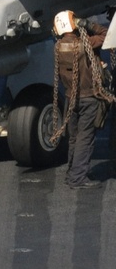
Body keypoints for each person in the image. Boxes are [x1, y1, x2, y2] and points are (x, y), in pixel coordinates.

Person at [52, 10, 112, 190]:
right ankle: (77, 178)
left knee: (74, 138)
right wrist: (87, 24)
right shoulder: (85, 45)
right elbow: (105, 34)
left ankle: (72, 172)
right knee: (85, 138)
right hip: (88, 98)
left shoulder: (58, 47)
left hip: (71, 98)